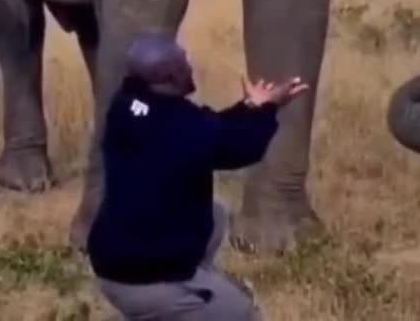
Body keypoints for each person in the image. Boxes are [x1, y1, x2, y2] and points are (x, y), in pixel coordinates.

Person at [87, 31, 307, 320]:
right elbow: (240, 148)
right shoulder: (181, 126)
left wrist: (252, 107)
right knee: (241, 313)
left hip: (108, 258)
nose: (190, 68)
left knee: (215, 215)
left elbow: (211, 130)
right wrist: (267, 108)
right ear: (170, 77)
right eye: (183, 64)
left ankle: (183, 290)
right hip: (143, 276)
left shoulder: (125, 104)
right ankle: (173, 299)